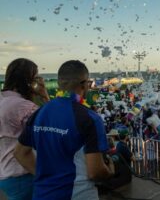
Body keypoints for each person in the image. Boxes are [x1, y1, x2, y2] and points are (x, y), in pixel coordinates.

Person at [14, 60, 115, 200]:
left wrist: (45, 176)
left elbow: (20, 153)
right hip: (77, 193)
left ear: (59, 84)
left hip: (42, 193)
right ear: (84, 84)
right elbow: (95, 172)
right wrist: (109, 171)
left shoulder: (39, 113)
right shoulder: (90, 118)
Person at [0, 58, 49, 200]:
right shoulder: (24, 106)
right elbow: (51, 128)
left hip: (5, 174)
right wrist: (44, 96)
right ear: (29, 81)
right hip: (24, 173)